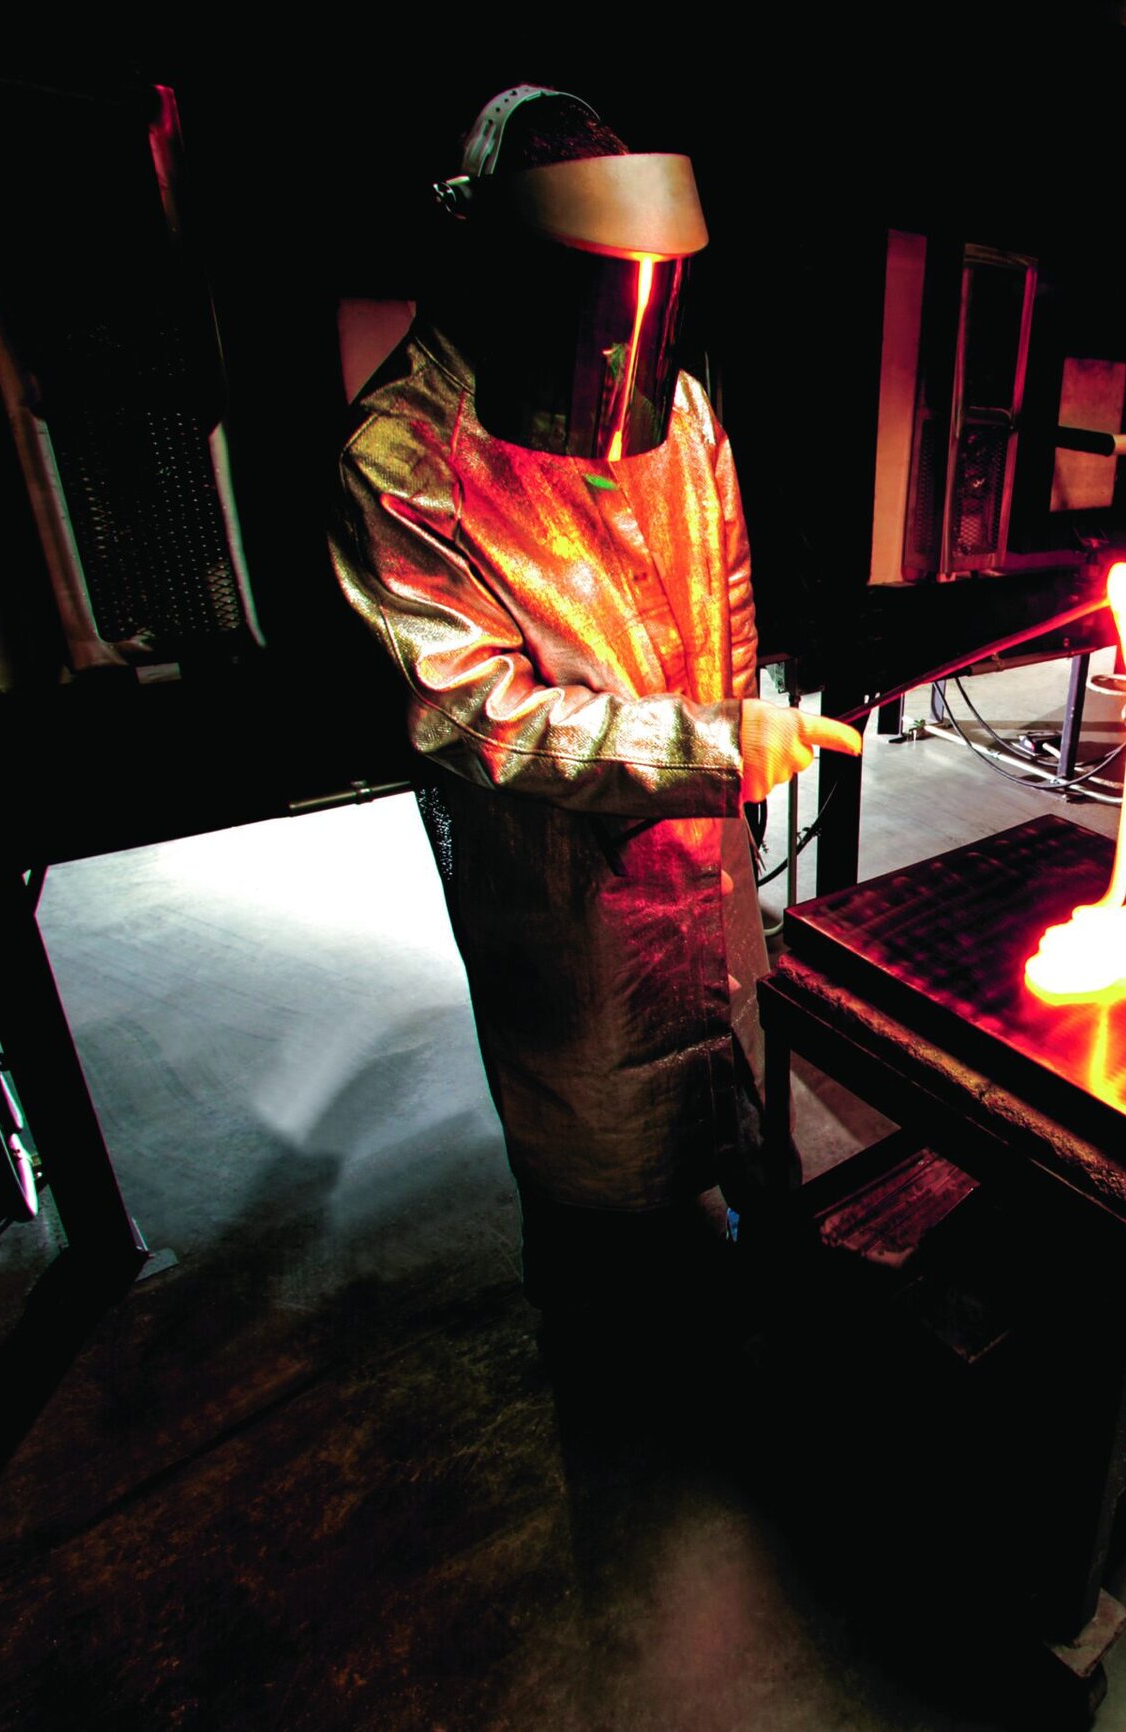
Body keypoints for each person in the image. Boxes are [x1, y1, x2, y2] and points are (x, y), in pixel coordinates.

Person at [328, 86, 858, 1354]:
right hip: (556, 883)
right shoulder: (404, 457)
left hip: (698, 840)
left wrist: (735, 733)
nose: (621, 339)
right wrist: (714, 749)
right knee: (593, 1151)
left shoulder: (670, 406)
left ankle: (716, 1282)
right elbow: (480, 716)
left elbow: (723, 586)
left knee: (725, 1065)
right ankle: (604, 1335)